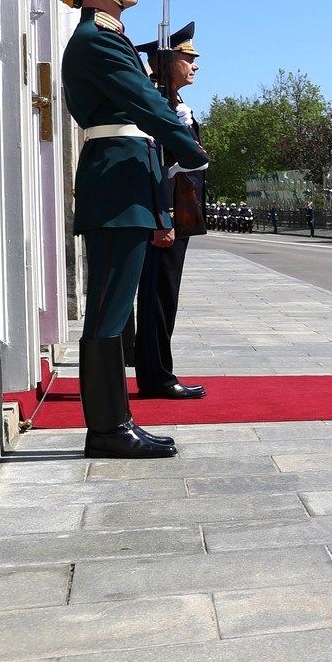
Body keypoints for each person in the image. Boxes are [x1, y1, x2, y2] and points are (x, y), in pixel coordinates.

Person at [39, 0, 205, 458]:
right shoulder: (97, 40)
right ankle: (108, 429)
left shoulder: (108, 36)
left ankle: (116, 422)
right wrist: (190, 149)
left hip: (124, 181)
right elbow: (144, 104)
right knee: (109, 313)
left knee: (112, 311)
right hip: (115, 185)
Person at [131, 22, 208, 399]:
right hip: (164, 213)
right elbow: (154, 166)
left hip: (178, 212)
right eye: (187, 57)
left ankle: (157, 369)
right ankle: (156, 376)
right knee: (157, 296)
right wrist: (162, 217)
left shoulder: (177, 106)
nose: (194, 64)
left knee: (165, 294)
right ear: (165, 61)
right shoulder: (156, 105)